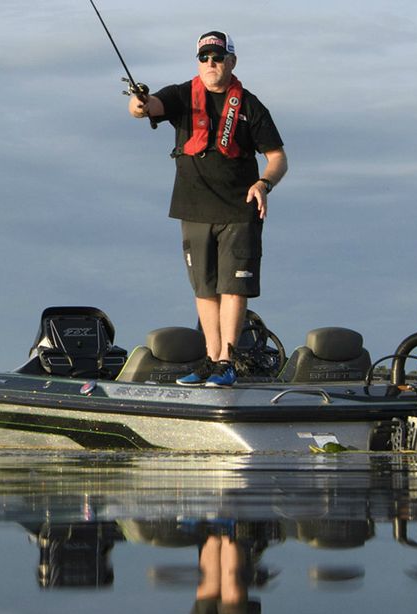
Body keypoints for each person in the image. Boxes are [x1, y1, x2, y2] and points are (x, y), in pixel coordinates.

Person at [129, 31, 288, 387]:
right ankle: (212, 359)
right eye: (204, 58)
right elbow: (145, 107)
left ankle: (227, 362)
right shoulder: (182, 95)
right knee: (205, 288)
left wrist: (264, 184)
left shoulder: (249, 104)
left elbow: (278, 158)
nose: (210, 64)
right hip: (193, 208)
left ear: (231, 61)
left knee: (234, 287)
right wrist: (139, 102)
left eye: (217, 57)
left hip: (239, 210)